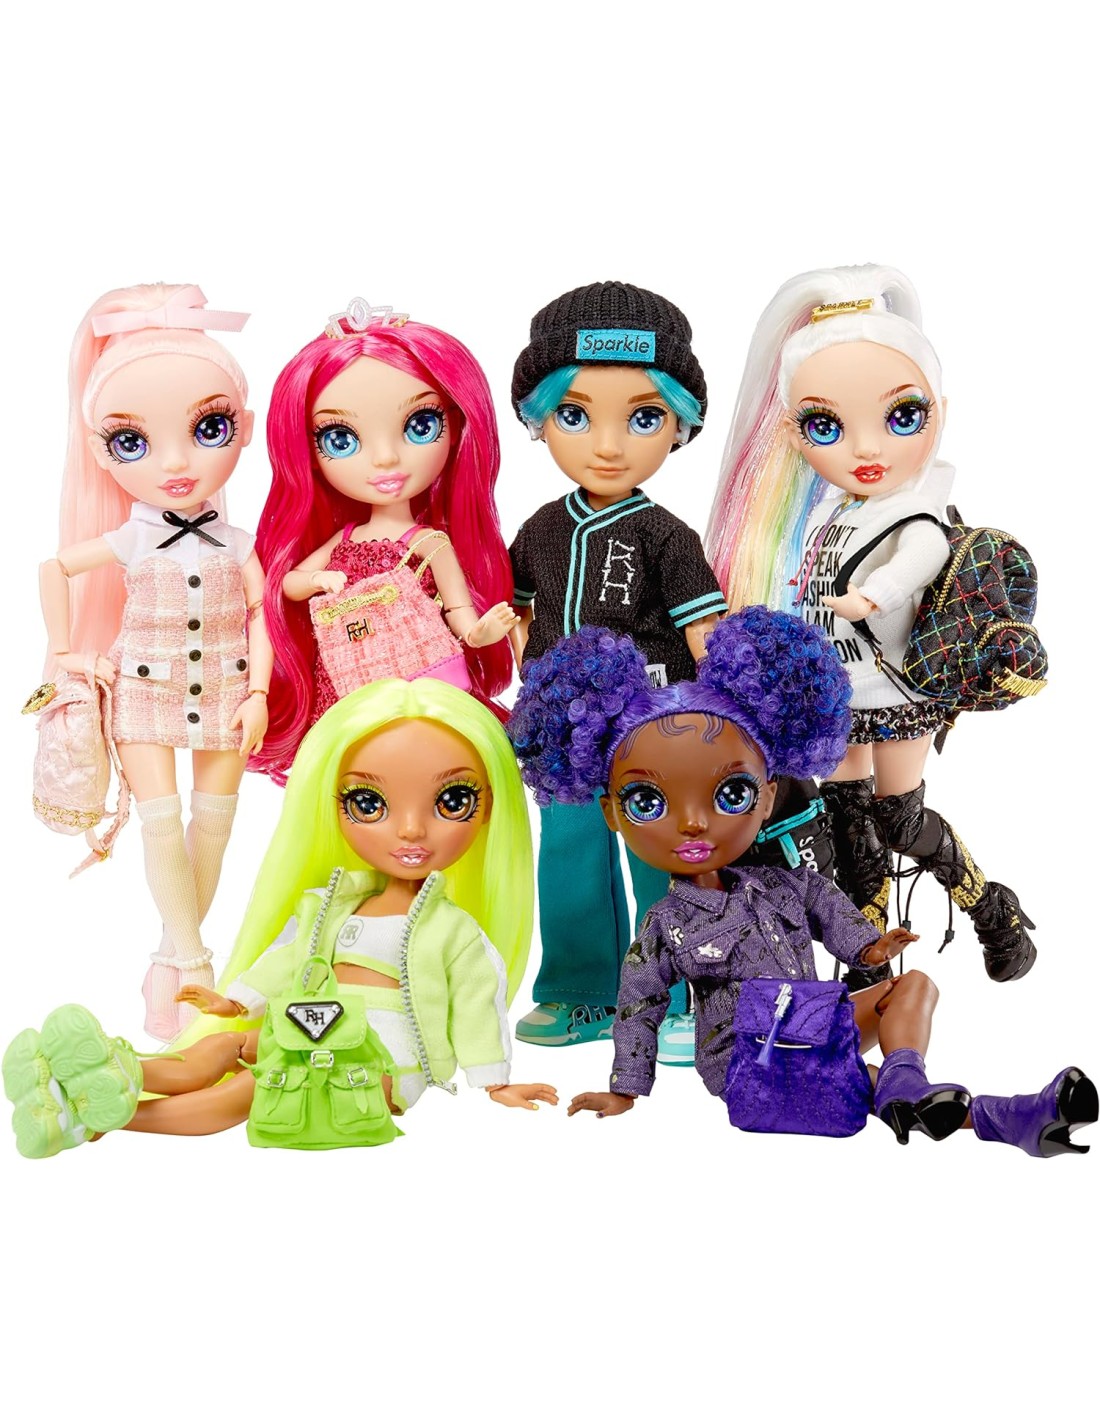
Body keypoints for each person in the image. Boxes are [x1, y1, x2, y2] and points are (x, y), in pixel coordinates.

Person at [510, 609, 1094, 1156]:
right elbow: (640, 1002)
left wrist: (873, 948)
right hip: (747, 1058)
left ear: (766, 799)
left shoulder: (788, 885)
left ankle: (977, 1107)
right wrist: (626, 1089)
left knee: (911, 989)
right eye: (647, 801)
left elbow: (839, 922)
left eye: (730, 794)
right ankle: (944, 1100)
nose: (692, 824)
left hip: (814, 1025)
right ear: (612, 813)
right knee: (847, 1070)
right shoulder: (667, 923)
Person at [4, 679, 557, 1158]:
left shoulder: (455, 932)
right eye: (369, 804)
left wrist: (494, 1081)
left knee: (250, 1089)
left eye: (452, 800)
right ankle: (109, 1073)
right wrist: (235, 1003)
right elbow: (288, 959)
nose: (410, 830)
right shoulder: (333, 904)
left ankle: (101, 1118)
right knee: (219, 1048)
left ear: (488, 807)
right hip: (310, 1025)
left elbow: (477, 1007)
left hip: (383, 1064)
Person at [705, 265, 1037, 982]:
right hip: (837, 695)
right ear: (794, 432)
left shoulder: (912, 509)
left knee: (901, 818)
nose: (866, 449)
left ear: (938, 411)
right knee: (849, 823)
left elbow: (923, 555)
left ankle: (989, 906)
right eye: (825, 426)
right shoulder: (823, 513)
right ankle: (869, 952)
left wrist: (874, 596)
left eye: (901, 417)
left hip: (898, 693)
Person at [38, 284, 272, 1039]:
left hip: (229, 688)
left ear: (244, 429)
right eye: (131, 441)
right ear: (99, 450)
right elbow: (54, 568)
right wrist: (68, 651)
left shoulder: (239, 544)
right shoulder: (132, 537)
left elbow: (264, 614)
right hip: (141, 690)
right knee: (161, 823)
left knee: (216, 823)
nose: (175, 463)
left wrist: (261, 692)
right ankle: (195, 964)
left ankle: (167, 964)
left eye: (209, 428)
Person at [507, 280, 728, 1058]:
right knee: (567, 853)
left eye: (642, 419)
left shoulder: (667, 535)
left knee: (658, 854)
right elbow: (515, 610)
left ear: (679, 427)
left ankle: (673, 995)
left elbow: (703, 627)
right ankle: (581, 992)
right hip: (561, 733)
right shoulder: (541, 528)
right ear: (540, 421)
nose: (608, 445)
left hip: (651, 724)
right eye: (575, 416)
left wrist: (725, 705)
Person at [253, 299, 517, 780]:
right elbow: (288, 584)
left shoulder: (430, 543)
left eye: (420, 425)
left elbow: (457, 610)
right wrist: (318, 580)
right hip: (348, 682)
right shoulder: (344, 537)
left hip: (420, 682)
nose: (385, 459)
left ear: (457, 428)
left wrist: (478, 633)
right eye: (340, 439)